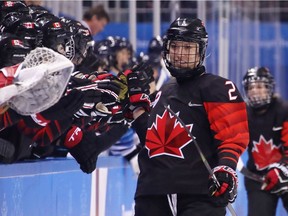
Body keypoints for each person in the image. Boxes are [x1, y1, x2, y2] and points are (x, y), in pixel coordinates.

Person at [126, 17, 249, 215]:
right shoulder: (160, 94)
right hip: (151, 194)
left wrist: (226, 168)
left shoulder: (217, 88)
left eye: (188, 47)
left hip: (199, 195)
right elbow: (152, 143)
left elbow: (232, 137)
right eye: (175, 46)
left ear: (200, 50)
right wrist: (137, 108)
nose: (180, 54)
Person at [242, 67, 288, 216]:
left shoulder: (283, 110)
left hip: (286, 173)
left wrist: (281, 170)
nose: (254, 91)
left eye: (260, 86)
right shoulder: (242, 114)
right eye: (250, 87)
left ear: (269, 88)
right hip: (258, 178)